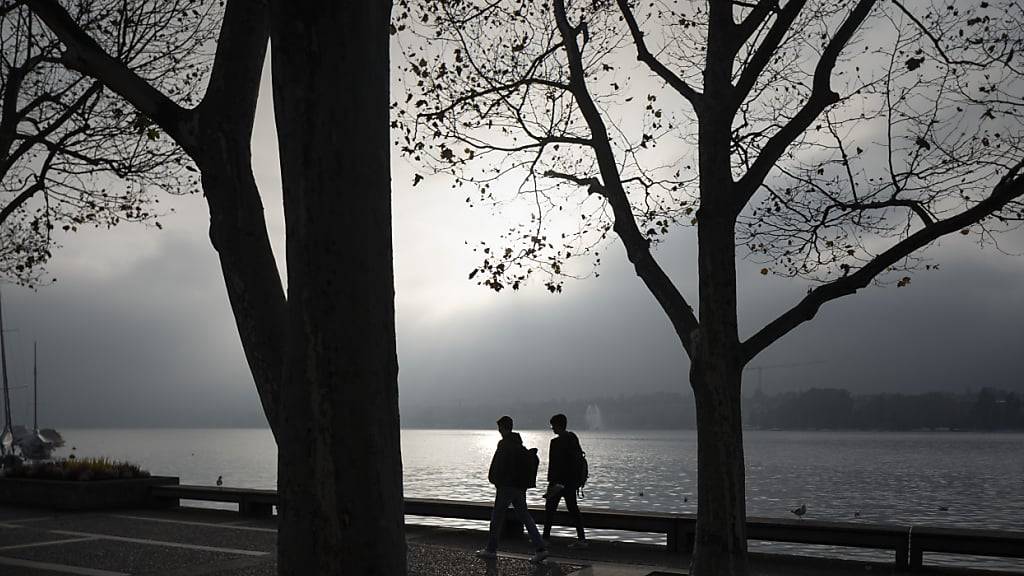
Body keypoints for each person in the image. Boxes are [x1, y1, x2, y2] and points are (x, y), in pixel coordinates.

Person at [475, 415, 549, 563]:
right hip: (519, 488)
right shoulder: (519, 445)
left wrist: (495, 480)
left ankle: (491, 550)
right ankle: (540, 548)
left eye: (499, 428)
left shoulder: (504, 444)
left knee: (496, 518)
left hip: (506, 486)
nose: (499, 431)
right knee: (525, 516)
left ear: (503, 428)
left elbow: (498, 465)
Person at [543, 413, 587, 548]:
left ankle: (545, 538)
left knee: (550, 509)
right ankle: (582, 539)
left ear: (557, 425)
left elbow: (554, 465)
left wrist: (552, 484)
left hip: (558, 482)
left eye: (553, 426)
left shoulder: (555, 442)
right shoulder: (573, 438)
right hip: (571, 482)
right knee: (573, 509)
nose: (552, 429)